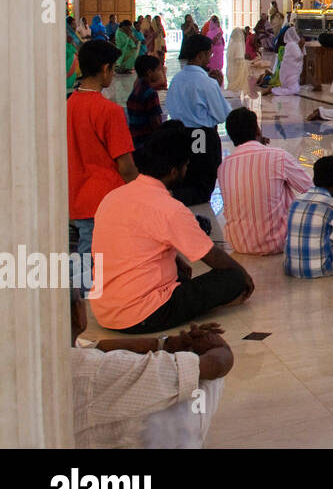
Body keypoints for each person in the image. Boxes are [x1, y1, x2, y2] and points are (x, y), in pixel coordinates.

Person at [91, 124, 254, 333]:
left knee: (179, 267)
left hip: (104, 308)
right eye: (185, 165)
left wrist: (176, 258)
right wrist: (244, 276)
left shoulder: (114, 196)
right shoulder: (169, 208)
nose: (187, 170)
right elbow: (211, 256)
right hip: (143, 314)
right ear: (174, 170)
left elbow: (135, 239)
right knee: (231, 278)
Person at [70, 291, 233, 448]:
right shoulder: (99, 368)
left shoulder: (55, 356)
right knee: (199, 382)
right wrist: (219, 346)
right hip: (143, 313)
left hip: (115, 316)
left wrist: (166, 344)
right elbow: (213, 366)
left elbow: (93, 345)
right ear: (79, 312)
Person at [67, 40, 138, 266]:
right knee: (99, 259)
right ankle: (89, 299)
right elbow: (125, 166)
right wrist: (141, 190)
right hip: (107, 197)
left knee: (87, 252)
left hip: (76, 194)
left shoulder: (68, 105)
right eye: (114, 69)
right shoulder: (110, 111)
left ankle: (85, 297)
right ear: (105, 69)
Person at [216, 108, 313, 255]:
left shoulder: (224, 166)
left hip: (238, 243)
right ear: (258, 130)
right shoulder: (278, 157)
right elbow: (310, 189)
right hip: (278, 242)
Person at [166, 34, 231, 212]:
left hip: (181, 132)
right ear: (201, 55)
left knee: (186, 174)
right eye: (209, 54)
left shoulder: (177, 79)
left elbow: (170, 106)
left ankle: (176, 199)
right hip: (201, 134)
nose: (210, 58)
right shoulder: (206, 82)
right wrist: (217, 87)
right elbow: (221, 114)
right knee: (202, 181)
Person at [126, 54, 167, 146]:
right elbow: (155, 121)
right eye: (158, 70)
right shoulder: (150, 93)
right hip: (147, 140)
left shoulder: (137, 86)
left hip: (135, 138)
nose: (160, 72)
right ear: (149, 72)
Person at [264, 26, 304, 96]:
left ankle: (274, 89)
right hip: (289, 73)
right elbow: (299, 56)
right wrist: (301, 46)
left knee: (295, 88)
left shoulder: (292, 44)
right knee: (295, 90)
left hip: (290, 72)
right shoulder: (292, 45)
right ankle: (273, 90)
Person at [224, 26, 251, 99]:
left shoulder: (232, 43)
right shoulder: (238, 43)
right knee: (237, 85)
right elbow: (239, 58)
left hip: (232, 66)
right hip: (237, 67)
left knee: (232, 82)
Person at [201, 16, 225, 87]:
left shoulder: (216, 31)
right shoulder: (214, 32)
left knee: (217, 67)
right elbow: (213, 42)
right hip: (216, 51)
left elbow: (220, 41)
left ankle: (217, 80)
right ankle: (216, 79)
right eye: (217, 22)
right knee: (215, 67)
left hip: (217, 52)